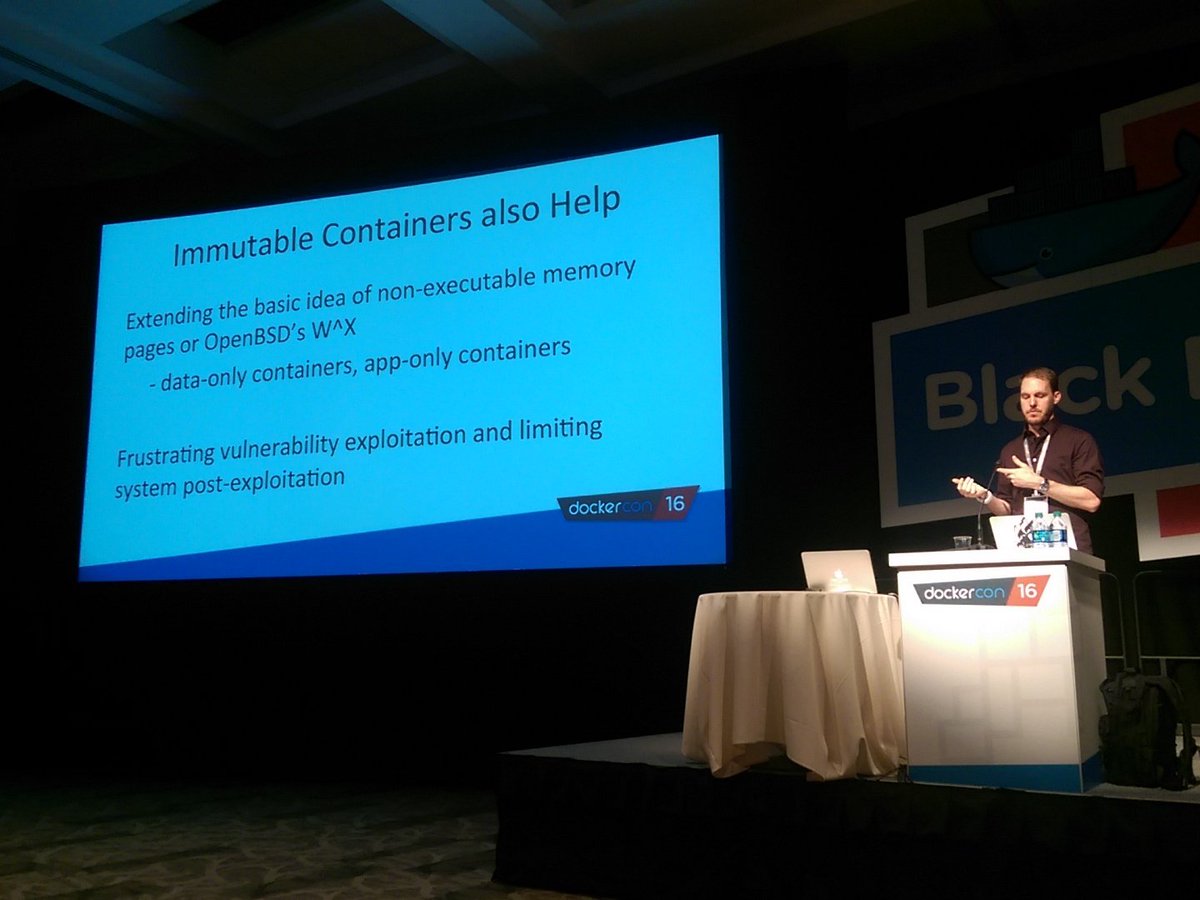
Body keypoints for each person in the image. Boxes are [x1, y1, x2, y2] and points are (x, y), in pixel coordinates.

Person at [952, 366, 1104, 554]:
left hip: (1069, 551)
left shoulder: (1078, 441)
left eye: (1040, 396)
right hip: (1024, 552)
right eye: (1025, 397)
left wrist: (1040, 483)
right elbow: (1007, 510)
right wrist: (985, 496)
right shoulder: (1010, 450)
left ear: (1056, 397)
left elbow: (1091, 501)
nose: (1032, 403)